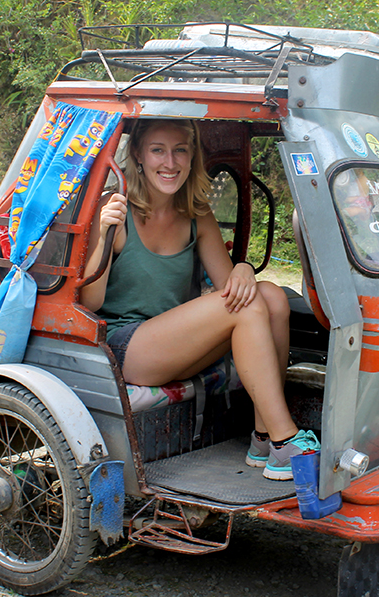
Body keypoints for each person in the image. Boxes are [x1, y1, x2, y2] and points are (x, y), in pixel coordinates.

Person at [81, 118, 318, 480]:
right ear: (139, 156)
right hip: (129, 347)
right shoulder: (115, 210)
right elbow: (91, 301)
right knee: (249, 304)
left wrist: (243, 269)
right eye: (158, 150)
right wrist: (101, 236)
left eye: (181, 151)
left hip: (179, 343)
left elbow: (232, 288)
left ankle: (265, 437)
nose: (170, 162)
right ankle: (287, 439)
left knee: (270, 295)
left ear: (193, 158)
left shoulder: (197, 213)